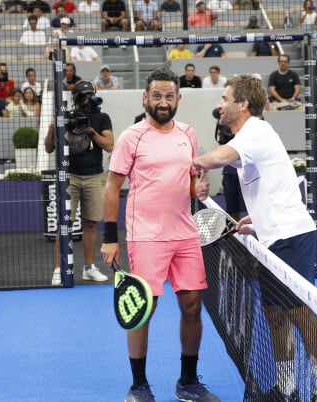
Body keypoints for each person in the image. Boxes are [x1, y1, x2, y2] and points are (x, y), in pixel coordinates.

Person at [192, 74, 317, 400]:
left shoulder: (255, 130)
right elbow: (269, 183)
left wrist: (191, 161)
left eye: (224, 99)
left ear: (242, 104)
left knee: (299, 312)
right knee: (273, 313)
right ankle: (287, 386)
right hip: (271, 237)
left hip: (292, 236)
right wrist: (257, 220)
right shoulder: (249, 135)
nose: (219, 105)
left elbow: (217, 158)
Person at [100, 68, 221, 402]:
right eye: (157, 96)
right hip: (146, 236)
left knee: (193, 306)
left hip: (184, 233)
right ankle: (138, 386)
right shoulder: (131, 137)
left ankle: (188, 382)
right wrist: (110, 237)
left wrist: (199, 188)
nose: (163, 102)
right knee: (143, 309)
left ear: (179, 98)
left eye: (169, 96)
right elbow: (112, 189)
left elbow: (190, 180)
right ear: (145, 98)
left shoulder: (188, 134)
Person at [46, 80, 114, 286]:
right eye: (83, 96)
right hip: (70, 176)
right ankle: (59, 269)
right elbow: (49, 148)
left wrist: (90, 131)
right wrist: (53, 128)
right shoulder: (67, 117)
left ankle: (88, 268)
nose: (87, 100)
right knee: (64, 223)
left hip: (94, 175)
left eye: (89, 95)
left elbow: (110, 145)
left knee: (91, 222)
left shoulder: (102, 118)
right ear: (76, 97)